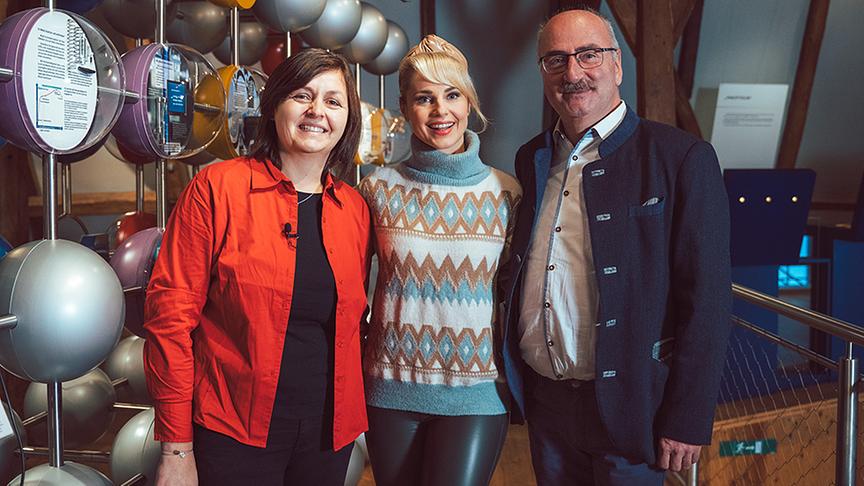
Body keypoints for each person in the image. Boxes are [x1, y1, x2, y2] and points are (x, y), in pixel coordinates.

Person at [496, 6, 732, 486]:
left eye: (588, 55)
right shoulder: (532, 158)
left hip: (634, 410)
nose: (573, 72)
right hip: (548, 406)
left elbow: (707, 299)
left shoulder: (681, 158)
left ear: (617, 65)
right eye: (556, 60)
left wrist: (687, 418)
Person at [143, 48, 371, 486]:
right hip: (232, 431)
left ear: (347, 119)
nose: (316, 111)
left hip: (329, 435)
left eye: (333, 101)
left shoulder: (355, 210)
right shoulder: (216, 187)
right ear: (275, 105)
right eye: (302, 95)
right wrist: (176, 448)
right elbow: (170, 320)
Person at [357, 35, 522, 486]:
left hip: (475, 393)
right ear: (405, 107)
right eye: (424, 98)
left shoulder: (506, 194)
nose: (440, 111)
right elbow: (348, 289)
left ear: (469, 102)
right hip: (388, 391)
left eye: (452, 95)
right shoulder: (377, 189)